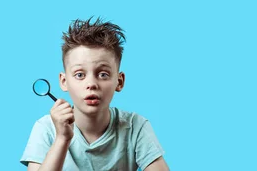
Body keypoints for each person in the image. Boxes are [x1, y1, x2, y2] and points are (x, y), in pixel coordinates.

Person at [20, 17, 169, 171]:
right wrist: (62, 139)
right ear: (64, 81)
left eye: (103, 74)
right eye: (79, 75)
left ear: (119, 81)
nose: (91, 84)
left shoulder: (134, 126)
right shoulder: (45, 128)